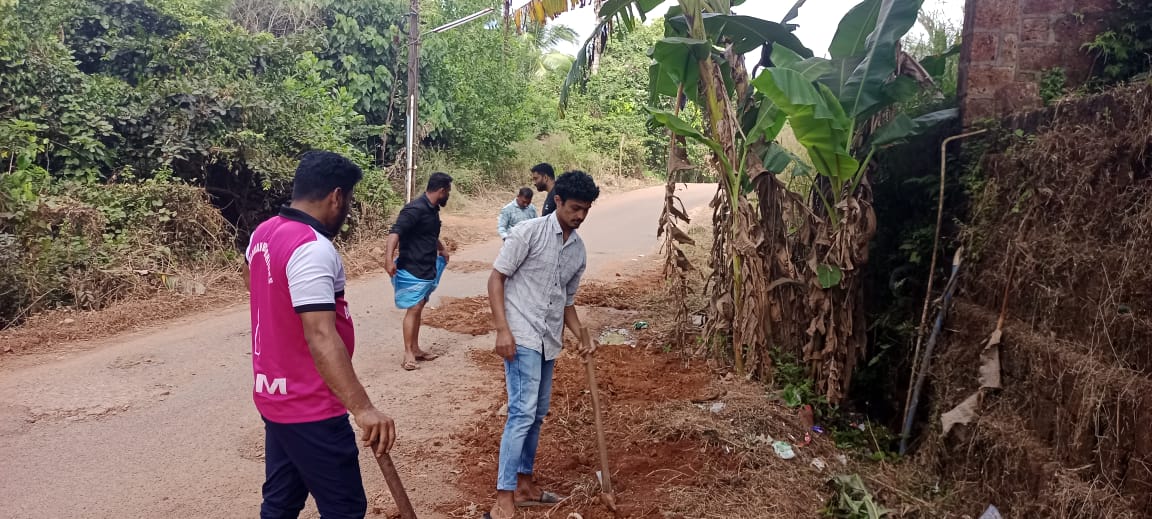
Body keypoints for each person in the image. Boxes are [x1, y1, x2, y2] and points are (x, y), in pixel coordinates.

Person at [243, 151, 395, 519]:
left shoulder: (263, 233)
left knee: (281, 503)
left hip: (274, 396)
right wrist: (363, 408)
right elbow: (321, 336)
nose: (347, 209)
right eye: (349, 200)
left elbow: (255, 283)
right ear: (336, 196)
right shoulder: (311, 248)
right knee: (344, 509)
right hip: (310, 406)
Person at [485, 170, 601, 519]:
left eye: (586, 210)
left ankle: (524, 485)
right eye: (575, 208)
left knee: (536, 414)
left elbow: (567, 302)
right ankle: (504, 496)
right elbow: (496, 279)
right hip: (521, 333)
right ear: (558, 201)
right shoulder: (528, 233)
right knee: (522, 412)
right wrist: (502, 330)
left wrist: (582, 335)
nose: (580, 216)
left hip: (549, 339)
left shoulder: (578, 251)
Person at [385, 172, 453, 371]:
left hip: (427, 266)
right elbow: (395, 233)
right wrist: (388, 259)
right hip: (411, 266)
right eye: (448, 191)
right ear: (441, 191)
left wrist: (441, 249)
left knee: (419, 305)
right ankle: (408, 352)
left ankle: (415, 348)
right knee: (414, 307)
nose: (448, 195)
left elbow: (429, 233)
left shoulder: (432, 209)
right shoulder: (414, 209)